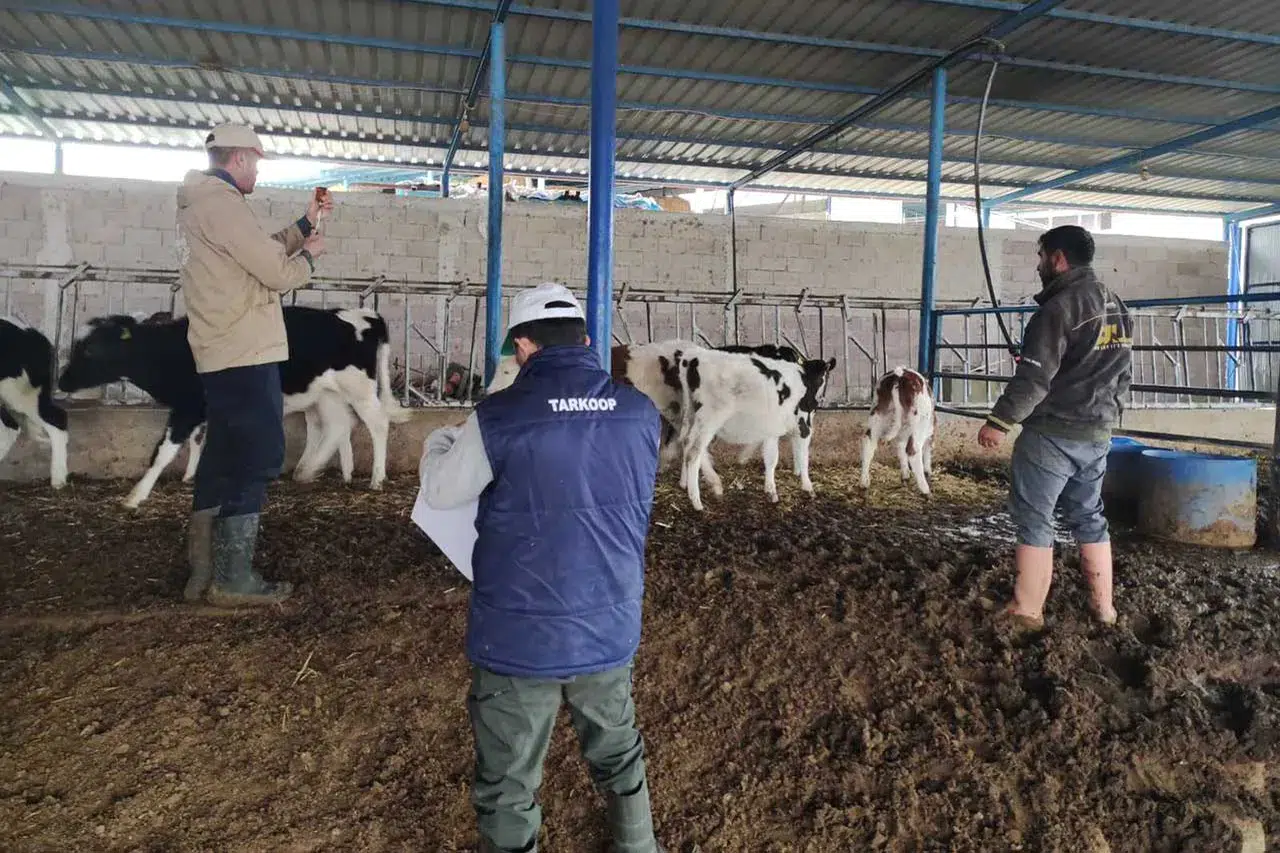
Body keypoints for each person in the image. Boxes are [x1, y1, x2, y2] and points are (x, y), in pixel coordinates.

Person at [419, 282, 666, 853]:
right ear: (584, 340)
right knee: (619, 754)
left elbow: (440, 489)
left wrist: (439, 442)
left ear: (524, 348)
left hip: (519, 636)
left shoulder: (498, 417)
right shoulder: (639, 413)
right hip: (607, 621)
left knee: (508, 778)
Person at [176, 123, 331, 607]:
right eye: (257, 162)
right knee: (260, 454)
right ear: (240, 158)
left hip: (220, 349)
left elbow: (254, 251)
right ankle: (233, 579)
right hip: (244, 349)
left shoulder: (202, 203)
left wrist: (303, 225)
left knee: (222, 455)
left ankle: (202, 571)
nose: (258, 171)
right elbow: (276, 273)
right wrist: (309, 257)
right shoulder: (221, 205)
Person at [977, 224, 1133, 630]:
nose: (1039, 264)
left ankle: (1027, 609)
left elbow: (1035, 380)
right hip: (1098, 431)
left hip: (1053, 433)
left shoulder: (1058, 308)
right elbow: (1119, 372)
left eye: (1041, 256)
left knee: (1035, 517)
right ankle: (1104, 608)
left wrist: (999, 421)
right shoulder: (1116, 304)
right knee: (1089, 515)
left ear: (1059, 258)